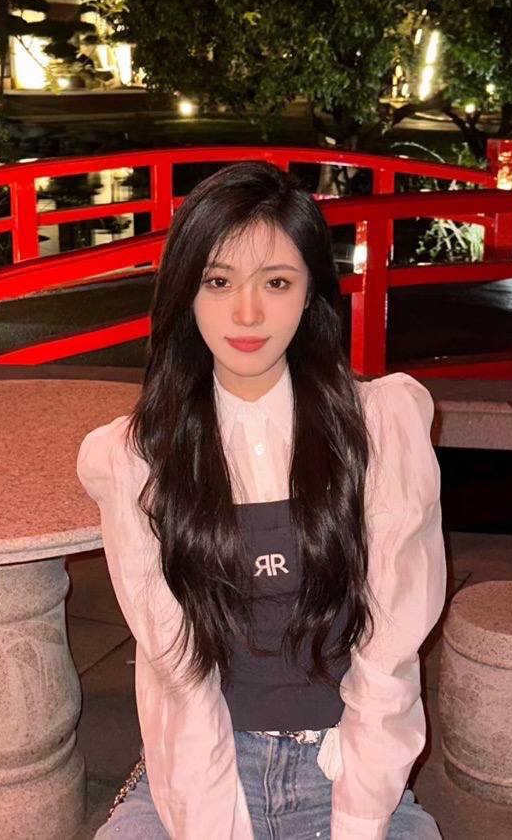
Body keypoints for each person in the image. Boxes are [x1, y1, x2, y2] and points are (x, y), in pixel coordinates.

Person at [78, 160, 447, 840]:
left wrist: (359, 816)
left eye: (276, 282)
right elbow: (175, 674)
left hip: (345, 758)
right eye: (218, 282)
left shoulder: (378, 429)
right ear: (185, 294)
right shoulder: (137, 459)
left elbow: (389, 654)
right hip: (205, 763)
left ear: (310, 294)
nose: (246, 313)